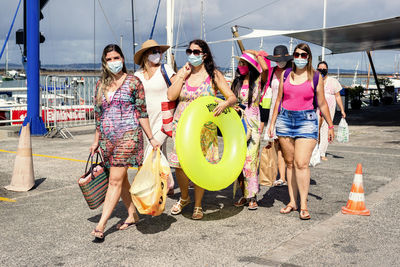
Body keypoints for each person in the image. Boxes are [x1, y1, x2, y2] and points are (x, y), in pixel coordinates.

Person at [90, 44, 160, 239]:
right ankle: (132, 214)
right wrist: (96, 141)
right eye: (110, 59)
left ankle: (101, 225)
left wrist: (151, 137)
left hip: (128, 136)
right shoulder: (100, 85)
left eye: (116, 58)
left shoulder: (133, 82)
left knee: (114, 180)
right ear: (105, 62)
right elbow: (99, 115)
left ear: (122, 59)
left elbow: (141, 112)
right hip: (107, 140)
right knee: (122, 180)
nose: (114, 62)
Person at [167, 39, 237, 220]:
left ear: (204, 55)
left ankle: (198, 204)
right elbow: (171, 95)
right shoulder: (183, 74)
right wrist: (182, 75)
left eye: (196, 52)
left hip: (205, 129)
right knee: (180, 166)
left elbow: (231, 97)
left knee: (201, 165)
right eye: (189, 51)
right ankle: (184, 198)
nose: (192, 55)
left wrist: (224, 103)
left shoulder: (213, 75)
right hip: (182, 127)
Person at [267, 43, 334, 220]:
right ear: (293, 56)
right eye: (297, 54)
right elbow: (278, 101)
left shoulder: (315, 76)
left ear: (308, 57)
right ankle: (292, 202)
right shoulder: (286, 74)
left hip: (307, 121)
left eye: (304, 55)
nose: (300, 58)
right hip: (285, 120)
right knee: (289, 163)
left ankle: (303, 204)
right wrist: (271, 124)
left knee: (301, 163)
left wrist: (330, 125)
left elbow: (322, 103)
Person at [134, 39, 176, 194]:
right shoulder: (137, 75)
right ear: (145, 55)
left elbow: (177, 88)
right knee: (160, 150)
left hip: (164, 117)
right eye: (153, 51)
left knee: (153, 147)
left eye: (159, 51)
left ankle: (156, 184)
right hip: (146, 118)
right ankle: (165, 183)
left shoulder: (166, 69)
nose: (157, 54)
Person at [231, 50, 269, 210]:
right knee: (239, 162)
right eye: (239, 63)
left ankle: (253, 196)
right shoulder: (236, 82)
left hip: (253, 126)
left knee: (251, 161)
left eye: (243, 63)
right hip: (238, 124)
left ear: (249, 66)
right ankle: (244, 194)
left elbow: (266, 69)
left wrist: (254, 53)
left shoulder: (258, 80)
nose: (240, 66)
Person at [264, 45, 293, 187]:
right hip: (274, 111)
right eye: (276, 60)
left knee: (288, 145)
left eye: (281, 59)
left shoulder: (292, 71)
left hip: (289, 111)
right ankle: (282, 177)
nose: (279, 62)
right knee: (278, 145)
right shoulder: (272, 72)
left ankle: (291, 174)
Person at [316, 61, 346, 161]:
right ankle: (313, 150)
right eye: (319, 69)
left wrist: (342, 109)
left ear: (327, 70)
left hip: (329, 108)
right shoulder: (314, 80)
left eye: (324, 69)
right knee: (315, 128)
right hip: (316, 107)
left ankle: (322, 152)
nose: (322, 71)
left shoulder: (333, 82)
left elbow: (338, 96)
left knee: (325, 129)